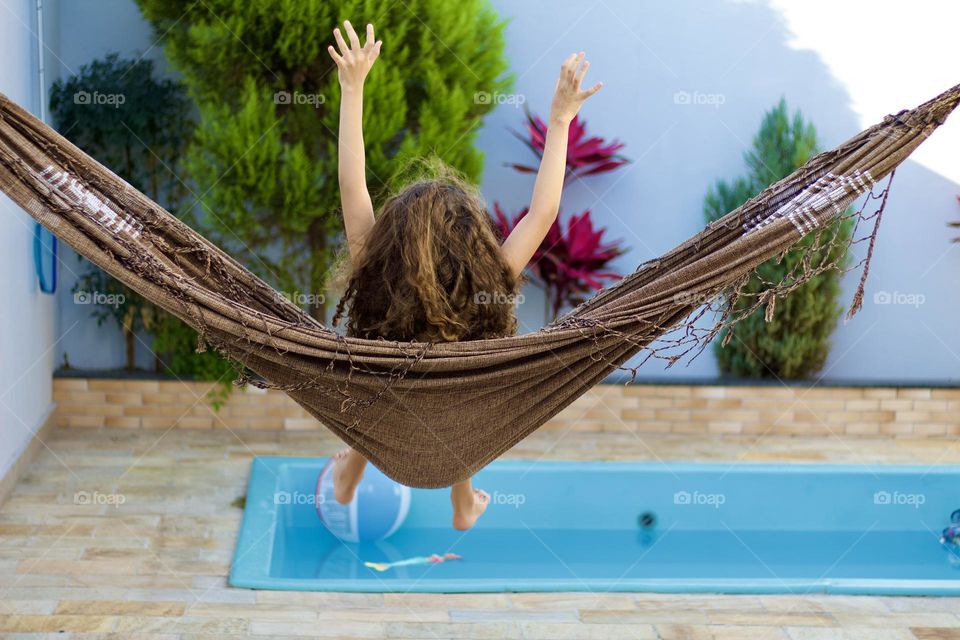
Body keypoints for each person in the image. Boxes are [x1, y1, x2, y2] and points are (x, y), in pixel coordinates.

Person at [327, 20, 602, 530]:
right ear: (473, 244)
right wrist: (561, 121)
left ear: (393, 241)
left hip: (383, 425)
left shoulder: (374, 276)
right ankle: (462, 504)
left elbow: (352, 187)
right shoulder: (489, 285)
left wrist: (352, 89)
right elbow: (541, 214)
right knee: (463, 396)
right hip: (457, 438)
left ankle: (348, 477)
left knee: (372, 381)